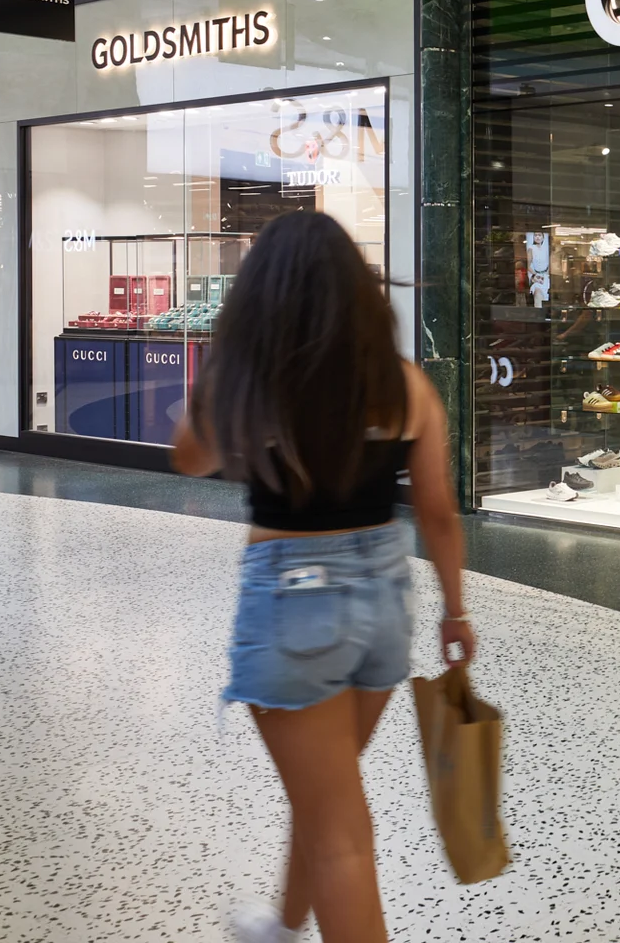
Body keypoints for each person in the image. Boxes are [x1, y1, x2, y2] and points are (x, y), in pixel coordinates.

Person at [173, 210, 475, 943]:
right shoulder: (406, 385)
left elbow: (189, 459)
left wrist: (222, 368)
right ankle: (283, 925)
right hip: (382, 606)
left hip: (293, 607)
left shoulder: (254, 381)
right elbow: (437, 514)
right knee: (327, 796)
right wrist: (455, 613)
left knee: (341, 831)